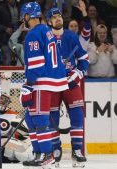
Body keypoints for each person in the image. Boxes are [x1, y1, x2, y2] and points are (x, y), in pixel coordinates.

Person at [19, 2, 68, 168]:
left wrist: (28, 84)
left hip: (41, 81)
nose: (22, 19)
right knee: (30, 118)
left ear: (28, 16)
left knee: (39, 118)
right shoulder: (46, 30)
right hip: (51, 79)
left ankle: (47, 155)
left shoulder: (33, 34)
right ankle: (39, 153)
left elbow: (37, 64)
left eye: (24, 16)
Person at [46, 7, 89, 167]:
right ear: (49, 21)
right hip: (52, 82)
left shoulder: (71, 36)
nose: (58, 19)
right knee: (52, 117)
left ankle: (77, 150)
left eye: (59, 16)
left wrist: (77, 74)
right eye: (54, 17)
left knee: (77, 114)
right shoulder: (45, 37)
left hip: (70, 81)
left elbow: (84, 59)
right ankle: (55, 149)